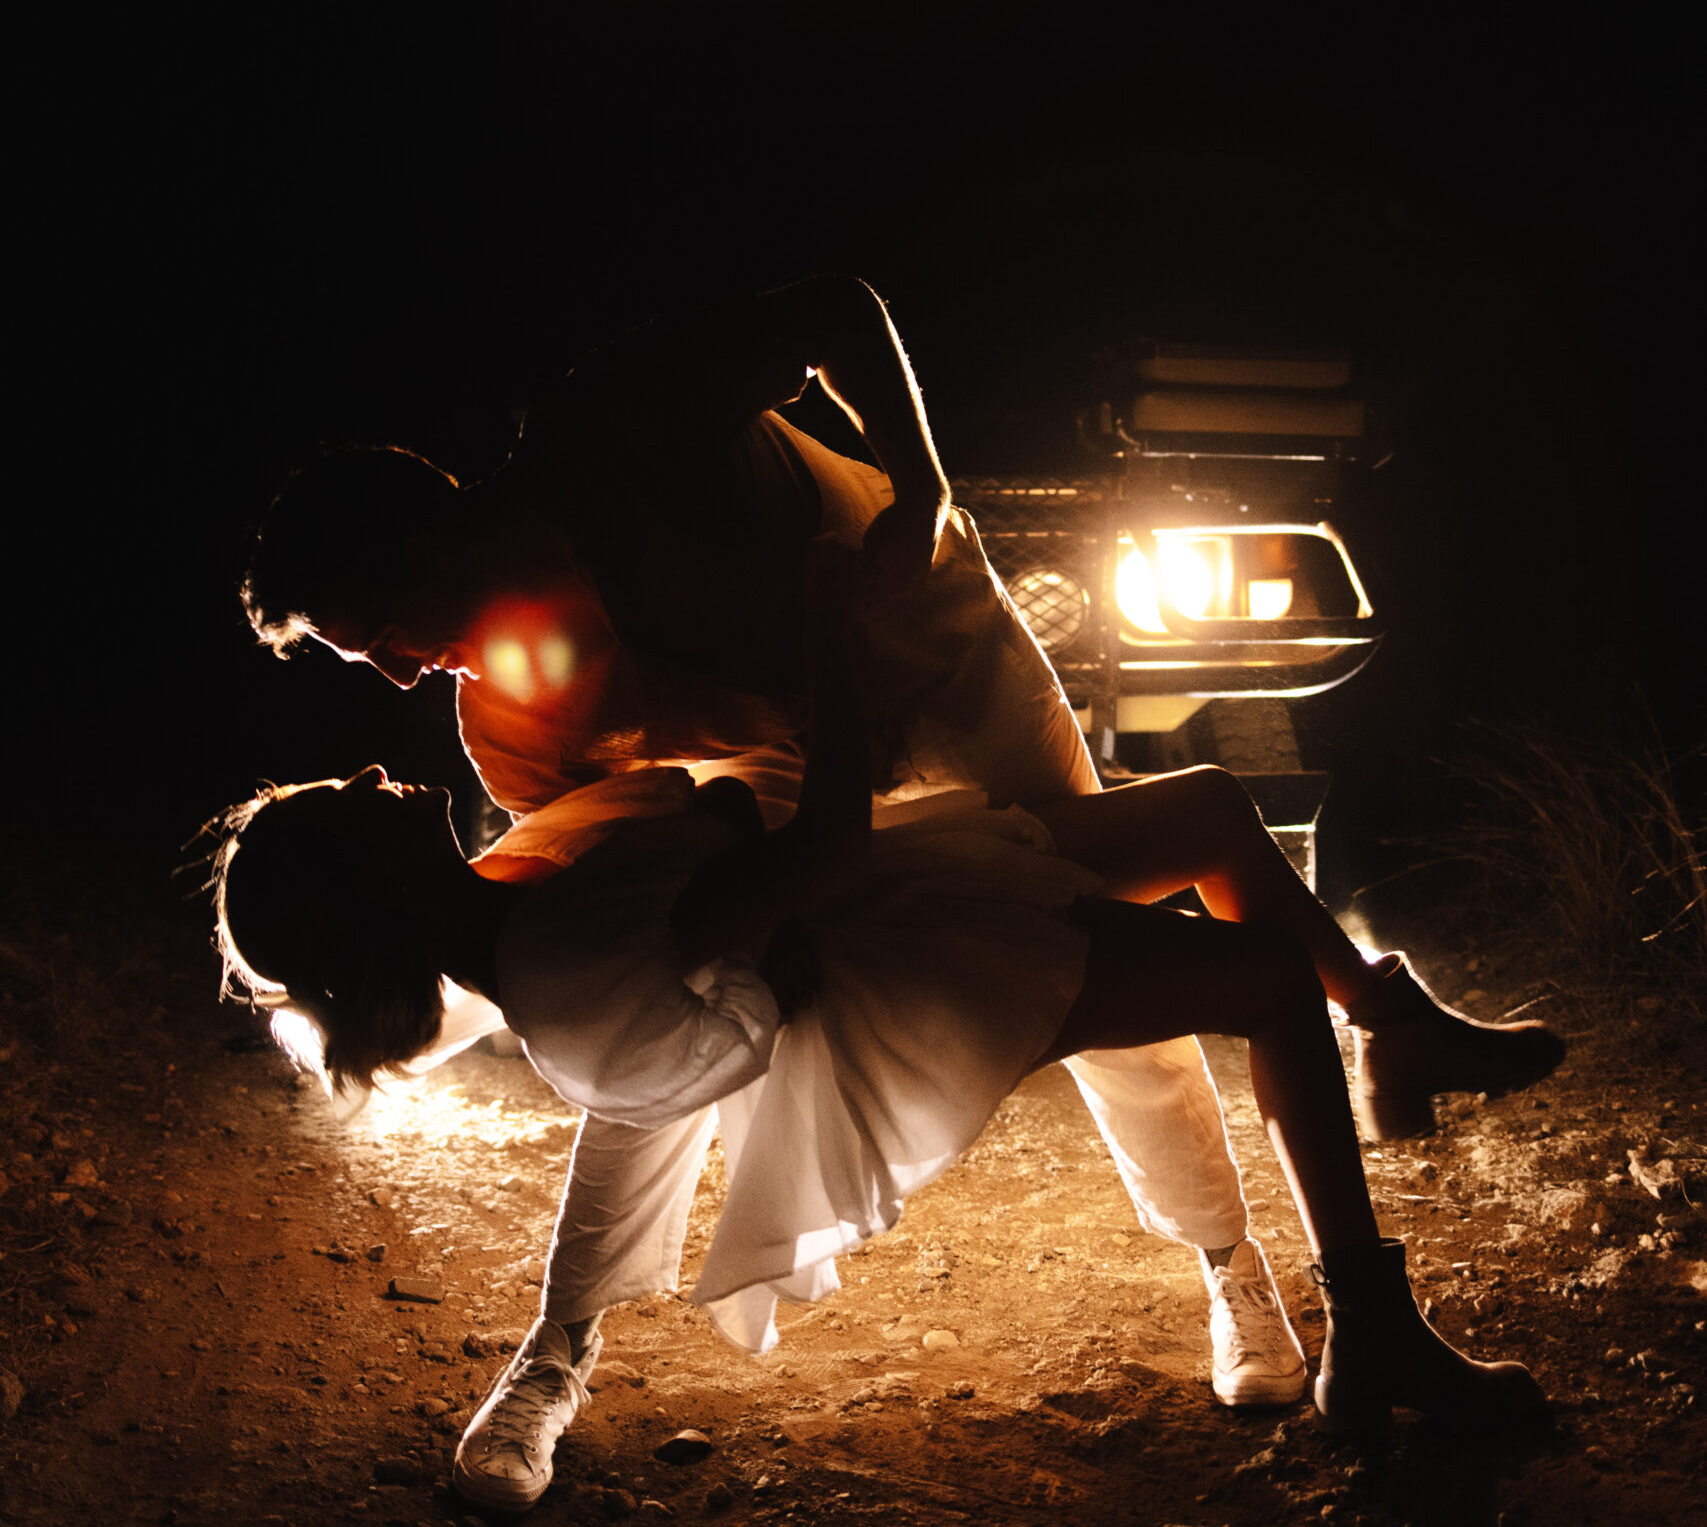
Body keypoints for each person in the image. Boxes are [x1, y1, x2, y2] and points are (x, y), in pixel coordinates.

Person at [213, 548, 1548, 1514]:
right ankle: (1363, 1319)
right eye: (351, 804)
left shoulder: (507, 881)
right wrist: (822, 641)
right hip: (910, 965)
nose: (380, 763)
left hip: (889, 882)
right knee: (1253, 977)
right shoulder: (549, 944)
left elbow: (708, 852)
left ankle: (1382, 1024)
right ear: (366, 892)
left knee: (1205, 812)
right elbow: (695, 986)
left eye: (372, 628)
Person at [240, 276, 1322, 1463]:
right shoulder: (505, 721)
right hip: (800, 775)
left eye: (384, 634)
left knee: (1086, 937)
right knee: (638, 1028)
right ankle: (557, 1347)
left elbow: (826, 308)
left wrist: (923, 481)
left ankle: (1232, 1263)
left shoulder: (607, 427)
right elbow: (616, 952)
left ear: (425, 534)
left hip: (948, 671)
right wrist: (738, 928)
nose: (398, 679)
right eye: (367, 663)